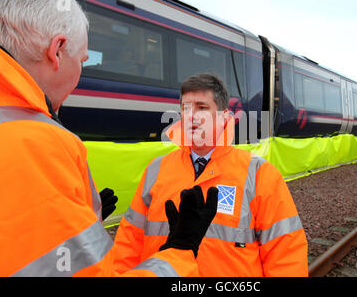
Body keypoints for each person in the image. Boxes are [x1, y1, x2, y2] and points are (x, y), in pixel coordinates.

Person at [0, 0, 217, 277]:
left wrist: (81, 222)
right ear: (57, 51)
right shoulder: (34, 141)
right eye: (85, 60)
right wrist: (181, 251)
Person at [113, 73, 309, 276]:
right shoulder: (156, 169)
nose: (191, 116)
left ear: (224, 116)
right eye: (185, 108)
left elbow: (285, 252)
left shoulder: (259, 174)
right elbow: (128, 242)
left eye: (202, 108)